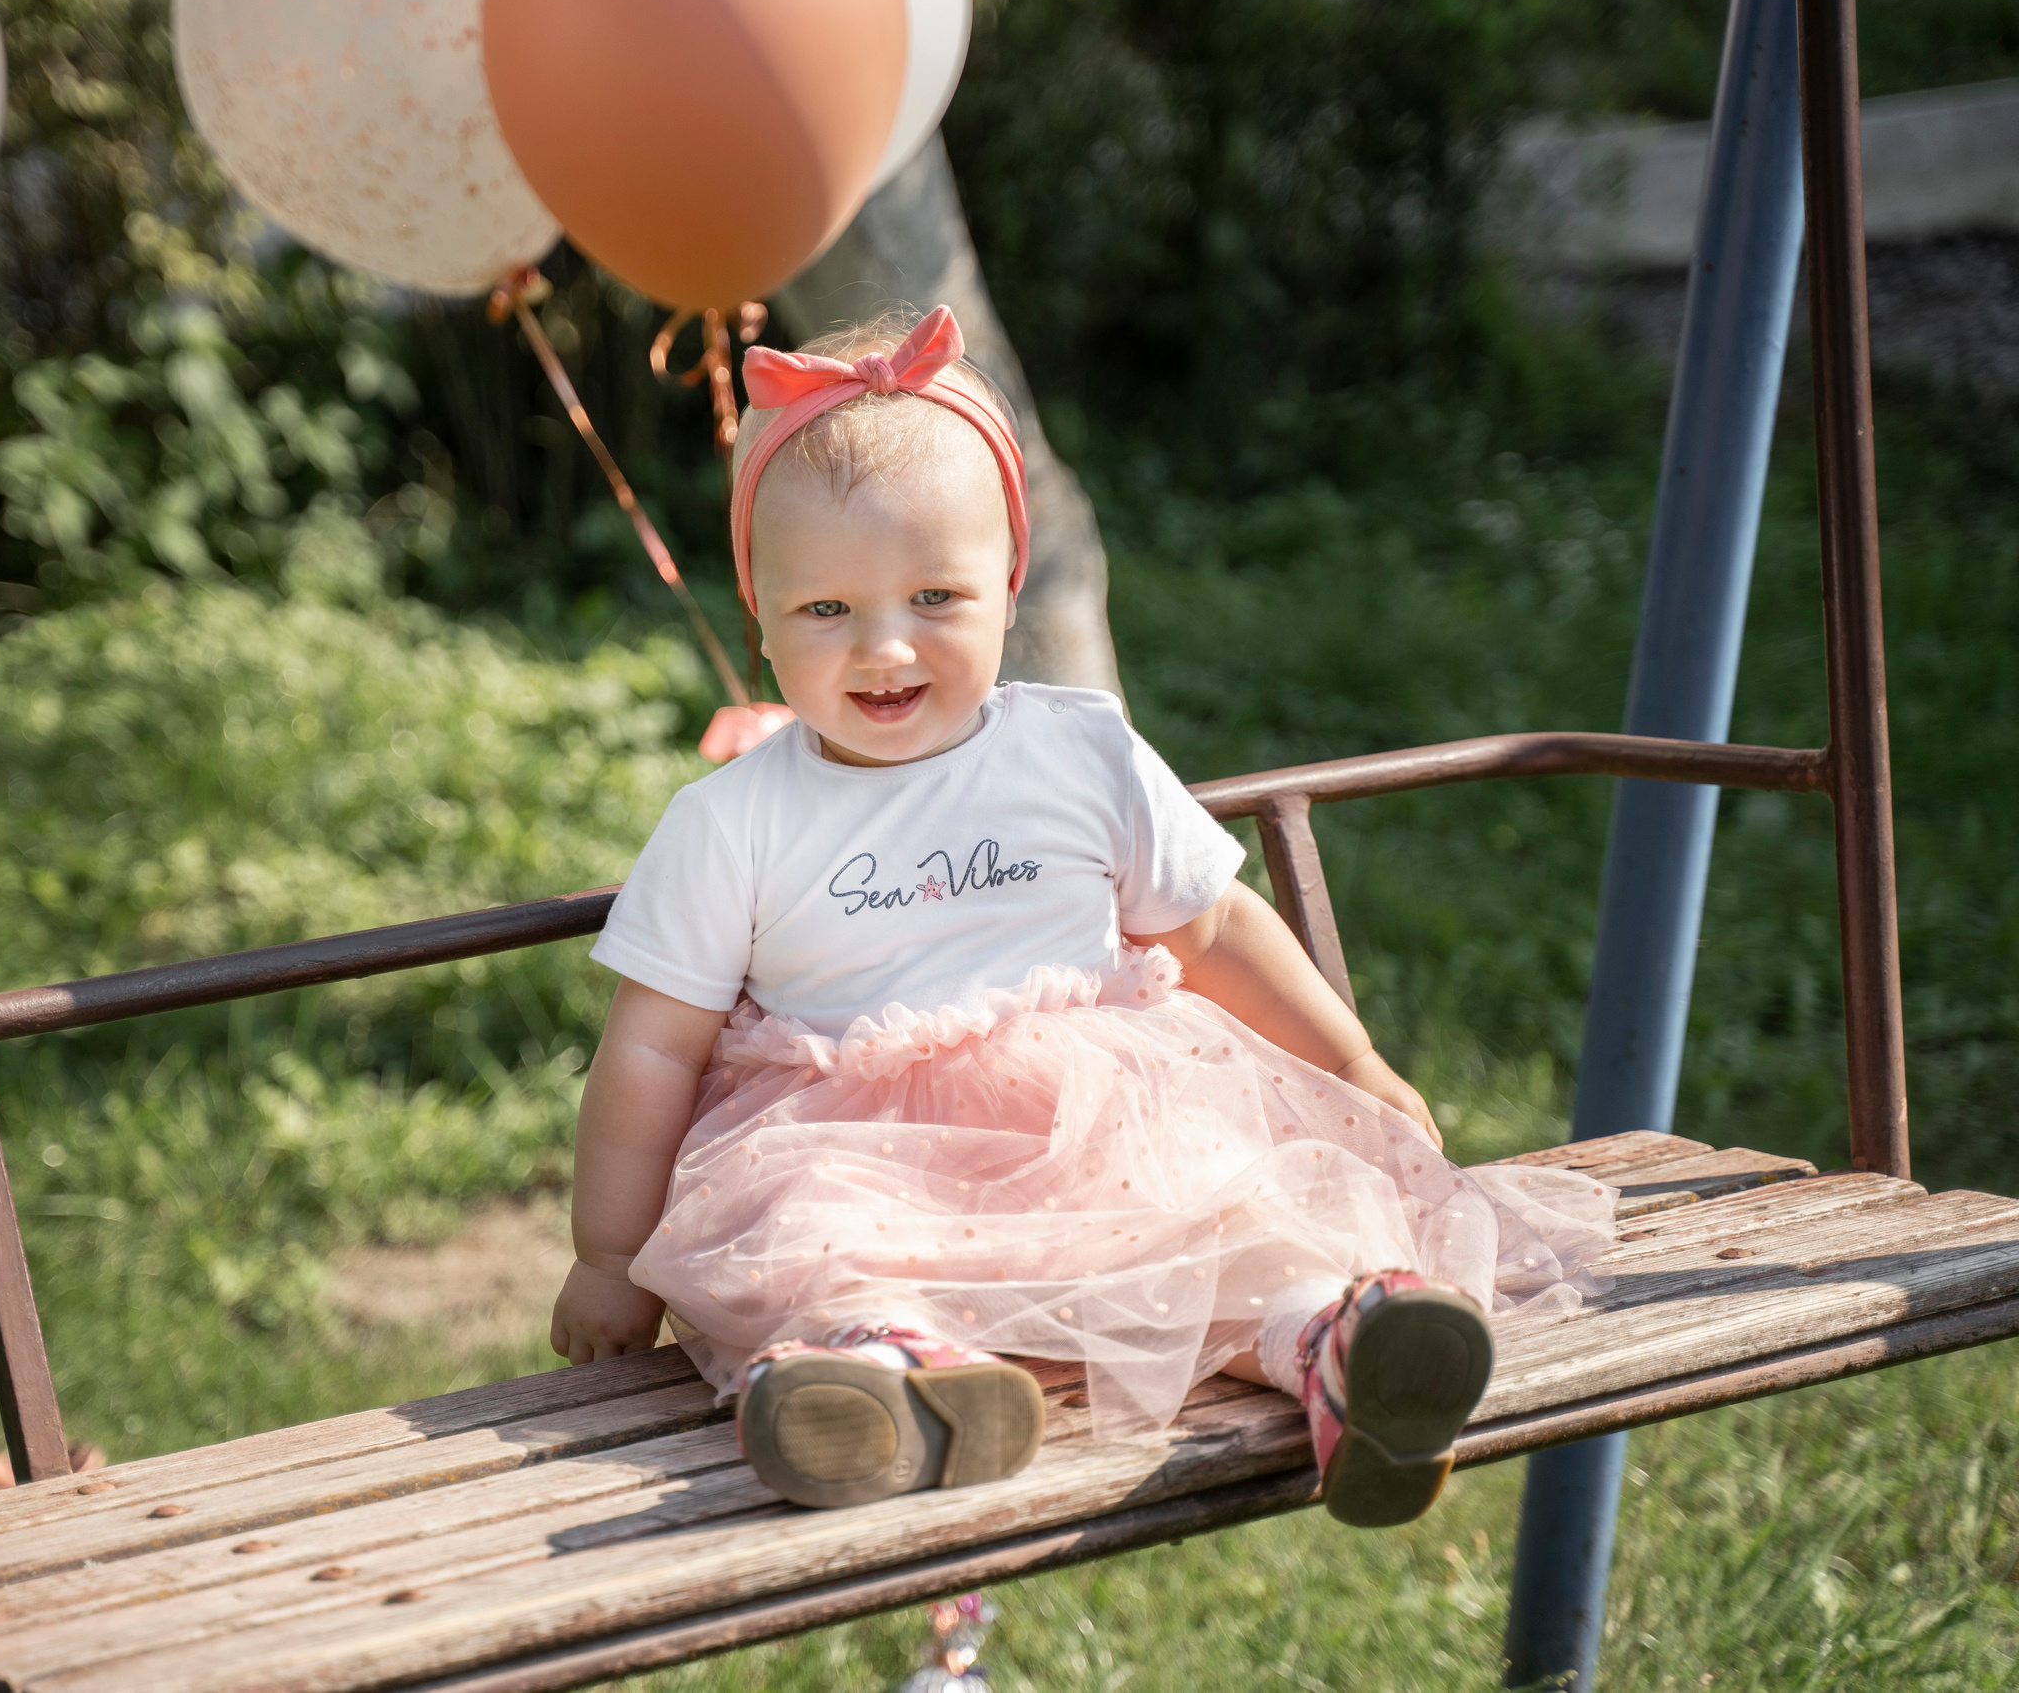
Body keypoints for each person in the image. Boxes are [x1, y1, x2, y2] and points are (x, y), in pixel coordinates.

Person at [549, 306, 1615, 1526]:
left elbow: (1210, 931)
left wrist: (1351, 1059)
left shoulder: (1077, 748)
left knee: (1234, 1203)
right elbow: (650, 1048)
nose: (884, 648)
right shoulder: (732, 819)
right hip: (856, 1142)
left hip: (1107, 1126)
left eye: (934, 596)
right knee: (820, 1238)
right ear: (760, 614)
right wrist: (607, 1254)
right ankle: (886, 1374)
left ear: (1008, 586)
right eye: (826, 612)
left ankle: (1342, 1346)